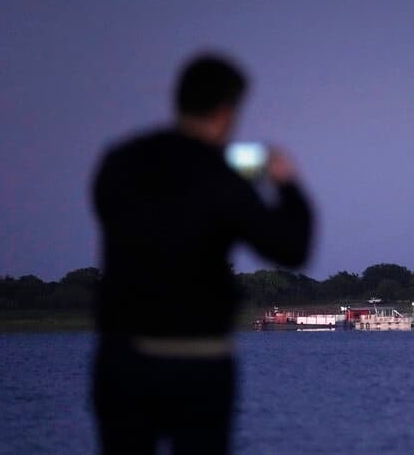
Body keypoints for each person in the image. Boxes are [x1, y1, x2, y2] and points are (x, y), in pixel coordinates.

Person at [91, 53, 314, 454]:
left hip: (123, 357)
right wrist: (288, 185)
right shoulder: (221, 176)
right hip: (200, 361)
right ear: (227, 111)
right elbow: (290, 247)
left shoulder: (120, 161)